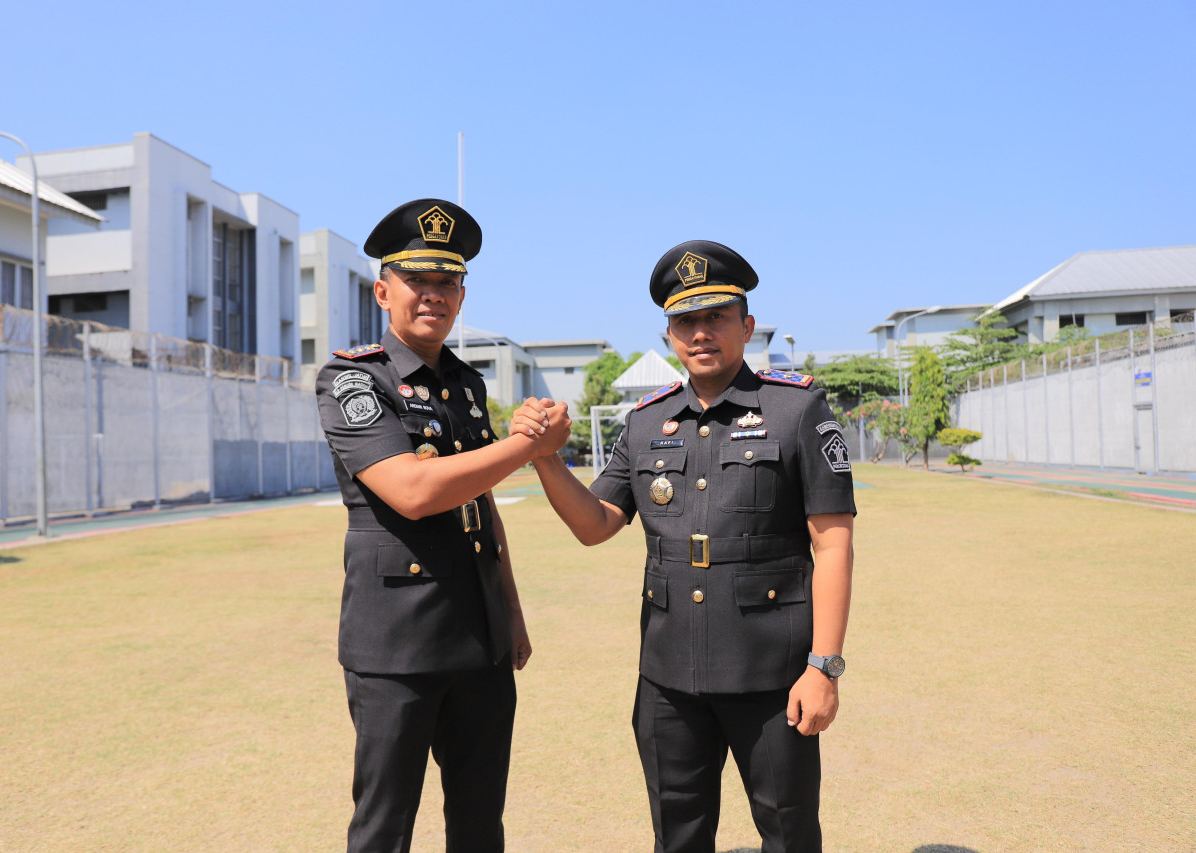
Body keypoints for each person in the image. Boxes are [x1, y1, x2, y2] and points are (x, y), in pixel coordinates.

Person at [512, 240, 856, 852]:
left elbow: (832, 545)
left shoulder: (796, 409)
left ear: (746, 327)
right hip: (668, 678)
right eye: (685, 321)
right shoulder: (646, 423)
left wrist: (823, 666)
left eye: (716, 317)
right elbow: (595, 524)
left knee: (790, 832)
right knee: (677, 837)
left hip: (772, 678)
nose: (701, 333)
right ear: (669, 334)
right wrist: (545, 460)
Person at [315, 198, 569, 852]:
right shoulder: (352, 379)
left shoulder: (465, 384)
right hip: (395, 646)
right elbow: (414, 490)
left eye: (446, 283)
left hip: (479, 640)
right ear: (382, 290)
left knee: (480, 823)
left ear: (462, 294)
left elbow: (479, 502)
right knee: (383, 827)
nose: (433, 295)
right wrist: (528, 446)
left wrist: (510, 608)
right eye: (416, 280)